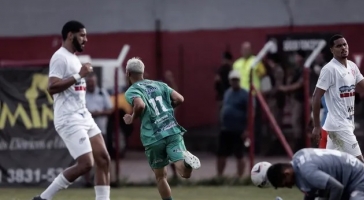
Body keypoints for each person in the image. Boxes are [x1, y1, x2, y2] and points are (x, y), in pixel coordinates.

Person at [33, 21, 111, 200]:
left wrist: (79, 74)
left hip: (83, 115)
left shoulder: (74, 58)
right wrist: (79, 75)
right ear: (70, 35)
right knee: (86, 164)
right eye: (82, 35)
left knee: (103, 158)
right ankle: (44, 198)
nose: (86, 39)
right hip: (68, 118)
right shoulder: (60, 57)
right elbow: (52, 87)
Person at [123, 57, 201, 200]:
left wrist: (132, 117)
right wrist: (166, 111)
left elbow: (140, 105)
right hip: (172, 131)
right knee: (184, 173)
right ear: (143, 71)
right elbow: (180, 98)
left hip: (153, 138)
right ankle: (188, 163)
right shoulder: (160, 85)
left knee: (160, 177)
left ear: (127, 73)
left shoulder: (131, 91)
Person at [312, 34, 364, 163]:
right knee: (360, 165)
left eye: (345, 44)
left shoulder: (352, 66)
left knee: (333, 166)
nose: (343, 48)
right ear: (332, 50)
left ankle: (316, 181)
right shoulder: (329, 69)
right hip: (339, 125)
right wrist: (316, 126)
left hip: (345, 124)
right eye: (339, 46)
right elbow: (316, 96)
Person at [266, 148, 364, 200]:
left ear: (287, 173)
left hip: (360, 180)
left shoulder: (308, 171)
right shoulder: (298, 158)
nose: (288, 187)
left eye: (285, 184)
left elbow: (337, 188)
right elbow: (311, 194)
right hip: (349, 180)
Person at [216, 70, 248, 178]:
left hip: (238, 129)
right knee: (221, 154)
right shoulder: (227, 93)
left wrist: (247, 129)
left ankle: (240, 176)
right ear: (230, 81)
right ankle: (219, 176)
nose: (235, 82)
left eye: (236, 80)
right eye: (233, 80)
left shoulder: (245, 94)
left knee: (239, 154)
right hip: (226, 128)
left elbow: (250, 113)